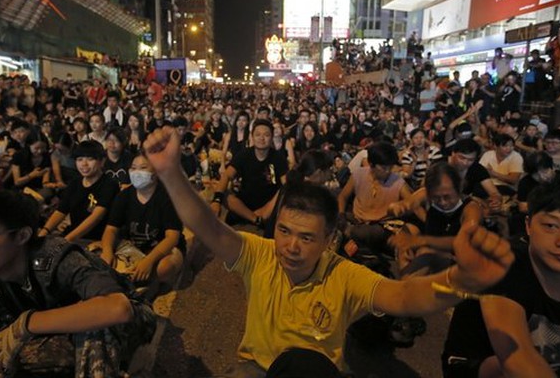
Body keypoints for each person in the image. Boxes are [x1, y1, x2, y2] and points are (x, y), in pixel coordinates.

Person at [142, 126, 514, 377]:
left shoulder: (344, 275)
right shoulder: (260, 253)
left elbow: (402, 295)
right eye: (284, 231)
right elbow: (209, 228)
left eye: (306, 238)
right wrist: (171, 173)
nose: (290, 246)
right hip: (256, 369)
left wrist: (460, 280)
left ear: (328, 239)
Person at [0, 190, 156, 377]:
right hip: (61, 333)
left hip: (128, 320)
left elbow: (118, 308)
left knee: (94, 326)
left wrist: (27, 323)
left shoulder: (55, 256)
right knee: (2, 356)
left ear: (22, 236)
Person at [442, 176, 560, 378]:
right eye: (551, 226)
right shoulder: (504, 266)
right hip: (476, 368)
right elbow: (514, 360)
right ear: (528, 226)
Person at [101, 154, 185, 293]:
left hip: (163, 249)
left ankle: (142, 282)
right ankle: (141, 282)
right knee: (103, 259)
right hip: (133, 247)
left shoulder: (168, 197)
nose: (137, 172)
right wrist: (107, 251)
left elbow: (172, 237)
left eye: (143, 168)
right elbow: (111, 229)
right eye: (133, 168)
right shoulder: (124, 196)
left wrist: (149, 261)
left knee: (164, 267)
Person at [390, 163, 484, 276]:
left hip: (463, 262)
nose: (442, 202)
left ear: (459, 188)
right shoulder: (426, 195)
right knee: (405, 239)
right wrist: (396, 208)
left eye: (447, 196)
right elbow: (404, 204)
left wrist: (421, 242)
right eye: (436, 197)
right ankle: (407, 284)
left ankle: (406, 288)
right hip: (432, 254)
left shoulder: (471, 209)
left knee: (425, 253)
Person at [211, 119, 288, 227]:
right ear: (252, 137)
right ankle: (254, 218)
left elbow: (286, 186)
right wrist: (216, 200)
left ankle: (255, 218)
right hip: (244, 203)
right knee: (223, 194)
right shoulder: (244, 154)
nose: (262, 138)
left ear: (271, 138)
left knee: (281, 195)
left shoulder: (278, 158)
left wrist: (267, 209)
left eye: (266, 135)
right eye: (258, 135)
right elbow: (227, 175)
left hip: (268, 203)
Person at [39, 141, 119, 242]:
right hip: (73, 235)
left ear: (102, 161)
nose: (84, 164)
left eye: (90, 159)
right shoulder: (74, 183)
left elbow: (96, 217)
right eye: (79, 159)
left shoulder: (109, 184)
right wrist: (44, 232)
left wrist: (67, 240)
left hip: (98, 239)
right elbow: (61, 211)